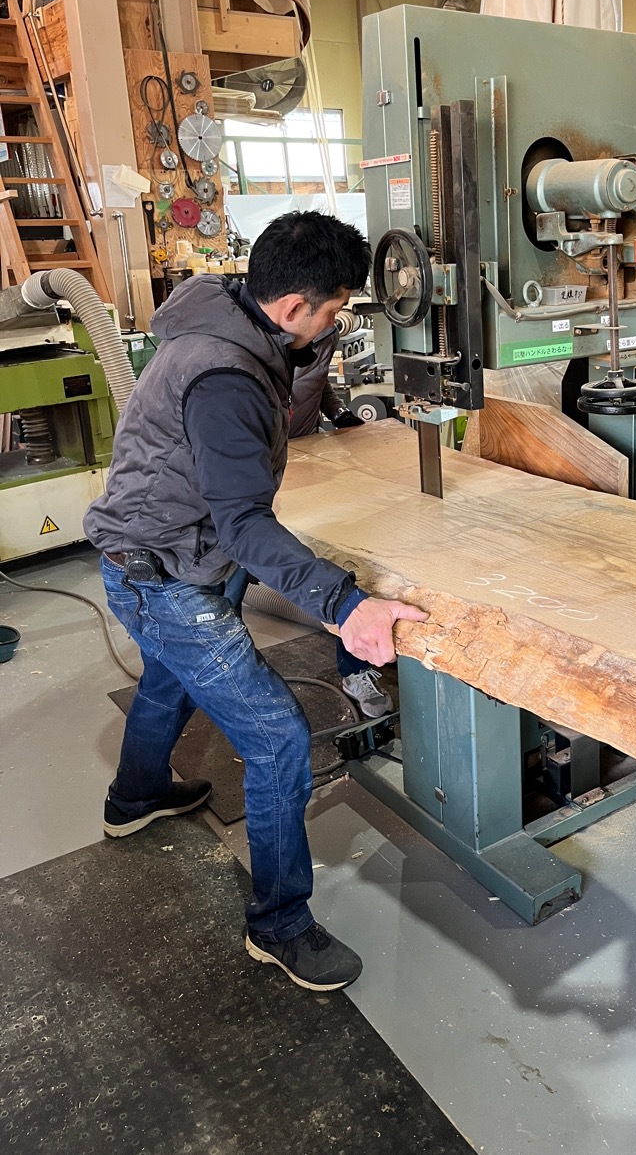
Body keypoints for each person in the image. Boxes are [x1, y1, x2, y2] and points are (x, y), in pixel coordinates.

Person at [85, 210, 427, 993]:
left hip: (162, 550)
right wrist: (344, 604)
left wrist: (313, 362)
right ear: (294, 303)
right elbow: (243, 522)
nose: (337, 321)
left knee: (170, 678)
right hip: (165, 572)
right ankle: (278, 925)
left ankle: (135, 796)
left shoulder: (231, 322)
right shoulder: (225, 376)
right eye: (334, 308)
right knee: (275, 740)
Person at [287, 329, 392, 720]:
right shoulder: (262, 334)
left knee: (347, 557)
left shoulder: (327, 329)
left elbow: (315, 383)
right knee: (234, 567)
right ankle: (219, 660)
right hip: (262, 456)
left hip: (310, 450)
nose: (336, 319)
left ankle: (354, 671)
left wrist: (338, 413)